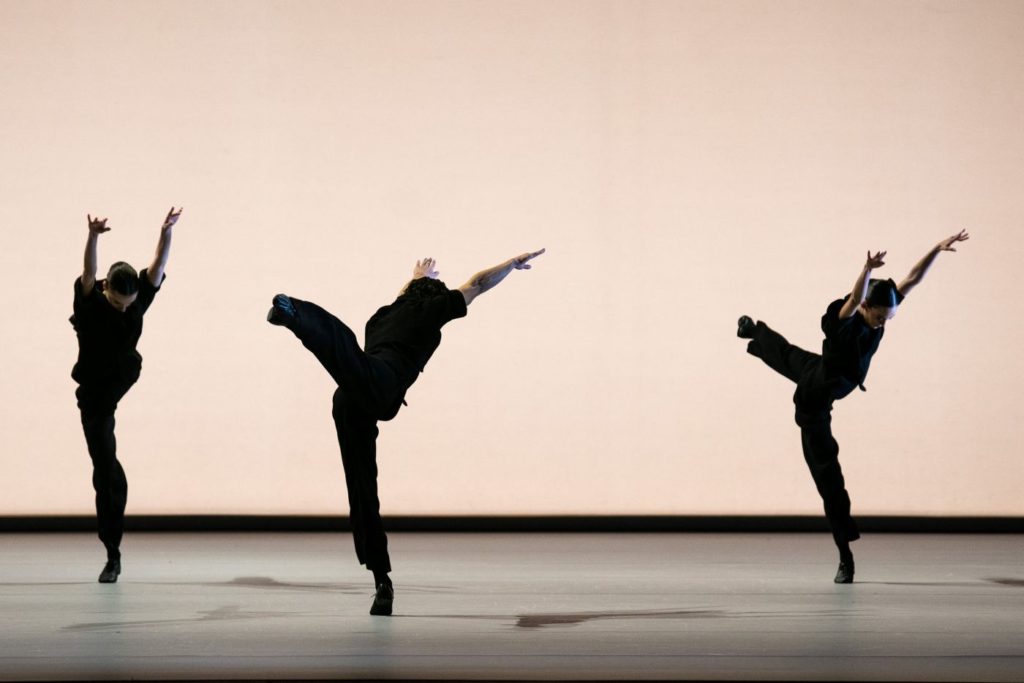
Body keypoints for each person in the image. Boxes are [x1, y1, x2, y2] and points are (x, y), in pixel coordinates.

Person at [267, 249, 545, 615]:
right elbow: (477, 283)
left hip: (358, 391)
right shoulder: (435, 308)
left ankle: (296, 314)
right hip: (374, 386)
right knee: (362, 486)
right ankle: (381, 580)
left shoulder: (383, 315)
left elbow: (407, 294)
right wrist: (509, 264)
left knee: (346, 354)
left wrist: (418, 277)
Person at [737, 230, 969, 583]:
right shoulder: (845, 323)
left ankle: (754, 331)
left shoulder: (880, 307)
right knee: (829, 481)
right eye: (879, 317)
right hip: (815, 400)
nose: (883, 323)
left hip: (822, 372)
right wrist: (865, 270)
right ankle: (846, 557)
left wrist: (935, 249)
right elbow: (853, 300)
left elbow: (910, 280)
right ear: (866, 307)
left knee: (788, 356)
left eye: (888, 318)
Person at [70, 207, 182, 583]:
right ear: (106, 290)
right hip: (95, 393)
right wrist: (93, 237)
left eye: (128, 305)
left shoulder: (137, 299)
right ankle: (112, 553)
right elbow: (87, 273)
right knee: (105, 469)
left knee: (128, 364)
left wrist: (166, 231)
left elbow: (157, 265)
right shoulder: (89, 304)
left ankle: (113, 545)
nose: (123, 309)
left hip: (122, 375)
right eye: (117, 302)